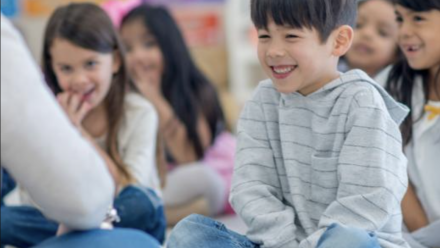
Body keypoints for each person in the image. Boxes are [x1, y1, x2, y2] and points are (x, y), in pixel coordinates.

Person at [167, 0, 410, 247]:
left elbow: (368, 201)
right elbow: (251, 187)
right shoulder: (262, 101)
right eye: (264, 36)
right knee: (190, 233)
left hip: (353, 239)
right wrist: (282, 242)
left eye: (291, 36)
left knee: (347, 239)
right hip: (281, 244)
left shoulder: (363, 102)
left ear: (338, 41)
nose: (273, 50)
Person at [1, 3, 166, 248]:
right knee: (6, 219)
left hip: (122, 211)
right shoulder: (46, 112)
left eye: (90, 64)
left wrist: (77, 132)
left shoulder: (138, 112)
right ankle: (78, 238)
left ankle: (72, 239)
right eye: (66, 68)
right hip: (58, 220)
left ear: (116, 61)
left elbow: (131, 186)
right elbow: (36, 196)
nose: (79, 80)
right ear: (52, 69)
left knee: (144, 205)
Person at [119, 4, 236, 225]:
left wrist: (154, 98)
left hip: (204, 174)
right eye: (128, 49)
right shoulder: (126, 97)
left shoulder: (196, 89)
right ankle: (149, 213)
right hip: (158, 183)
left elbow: (189, 157)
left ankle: (144, 214)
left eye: (149, 44)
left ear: (170, 47)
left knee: (204, 180)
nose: (137, 56)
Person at [383, 0, 440, 247]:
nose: (404, 31)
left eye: (418, 18)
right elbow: (389, 167)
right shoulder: (389, 84)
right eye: (399, 18)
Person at [341, 0, 399, 79]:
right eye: (358, 25)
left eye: (382, 32)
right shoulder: (325, 74)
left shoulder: (393, 87)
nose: (367, 33)